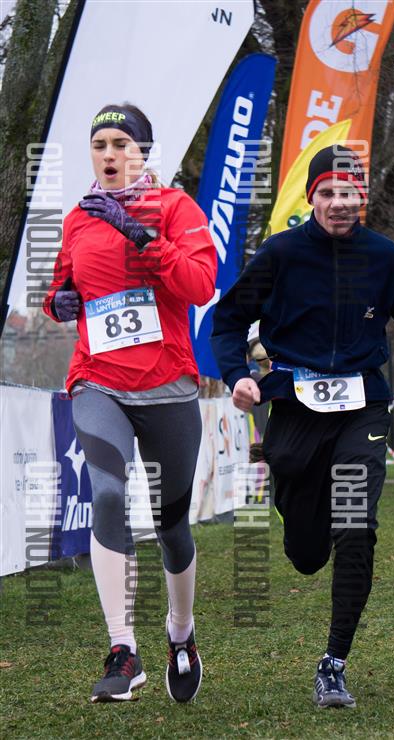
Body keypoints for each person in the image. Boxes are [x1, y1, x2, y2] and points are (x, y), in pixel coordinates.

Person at [210, 144, 394, 709]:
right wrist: (238, 376)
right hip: (294, 409)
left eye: (349, 192)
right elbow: (227, 321)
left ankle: (334, 663)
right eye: (328, 192)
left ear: (361, 197)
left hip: (362, 406)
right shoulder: (280, 254)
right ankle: (301, 511)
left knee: (355, 525)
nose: (340, 202)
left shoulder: (383, 257)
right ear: (312, 197)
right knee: (306, 554)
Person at [43, 103, 217, 703]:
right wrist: (59, 302)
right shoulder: (78, 219)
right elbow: (64, 286)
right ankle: (123, 648)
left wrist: (141, 235)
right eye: (100, 145)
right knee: (108, 496)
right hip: (98, 381)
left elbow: (200, 285)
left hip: (168, 385)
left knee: (172, 526)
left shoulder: (176, 209)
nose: (110, 154)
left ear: (143, 152)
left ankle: (181, 633)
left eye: (122, 143)